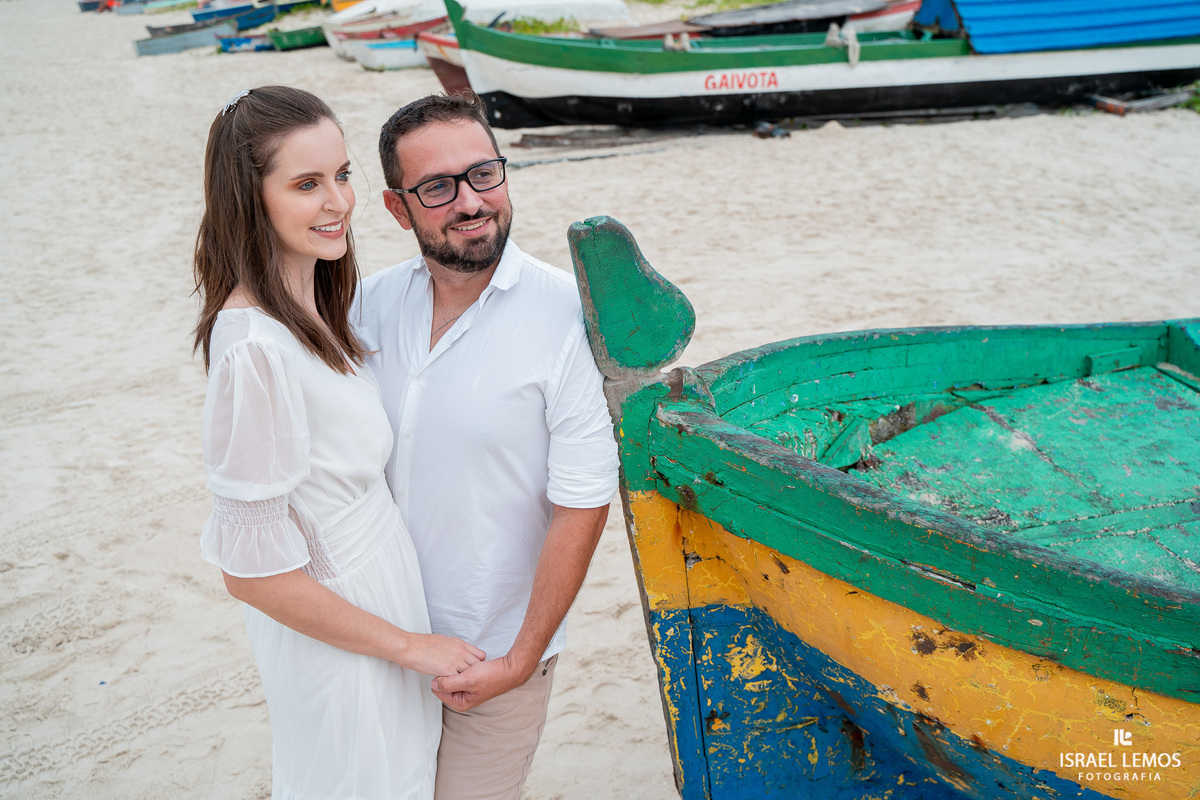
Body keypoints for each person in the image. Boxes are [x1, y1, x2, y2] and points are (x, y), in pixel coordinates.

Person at [193, 85, 484, 800]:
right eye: (306, 184)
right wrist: (409, 646)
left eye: (344, 174)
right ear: (248, 198)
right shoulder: (253, 348)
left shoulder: (316, 311)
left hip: (381, 610)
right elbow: (251, 574)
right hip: (345, 640)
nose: (339, 202)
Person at [355, 92, 620, 799]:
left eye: (484, 174)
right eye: (438, 187)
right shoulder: (365, 307)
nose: (470, 202)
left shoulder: (570, 318)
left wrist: (520, 658)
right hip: (373, 644)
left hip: (491, 656)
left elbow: (582, 502)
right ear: (396, 208)